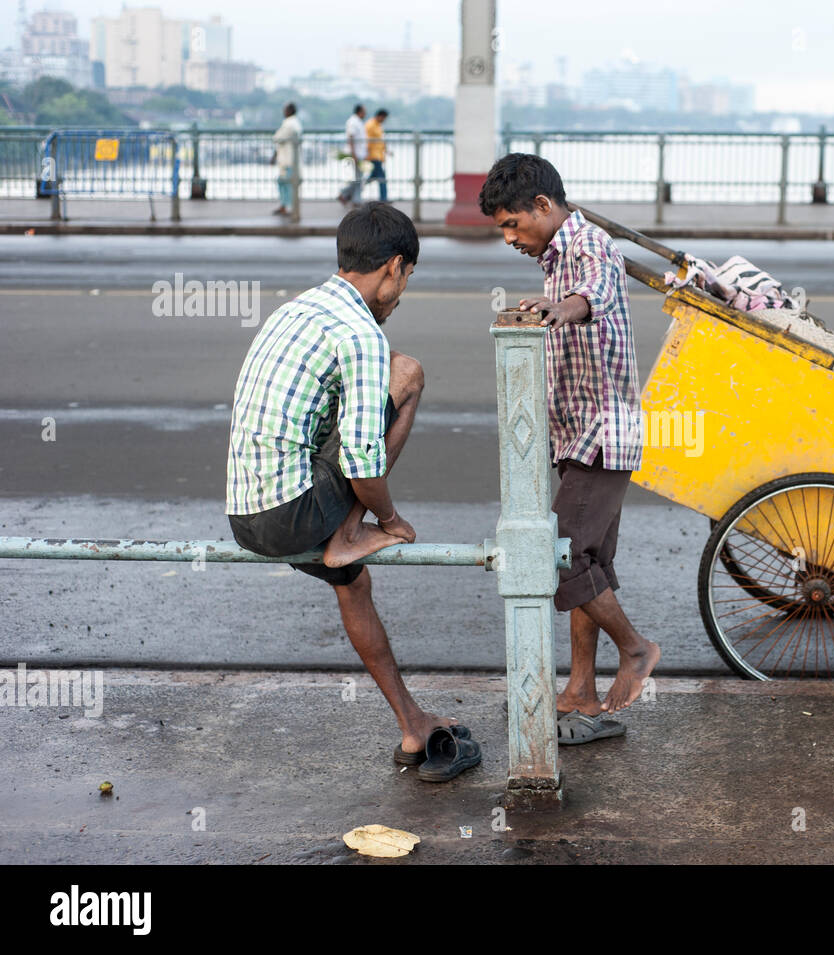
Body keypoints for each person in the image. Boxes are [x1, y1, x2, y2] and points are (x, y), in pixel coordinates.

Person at [225, 202, 479, 782]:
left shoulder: (299, 309)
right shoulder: (359, 332)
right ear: (394, 267)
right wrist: (388, 520)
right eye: (406, 279)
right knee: (408, 371)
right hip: (293, 512)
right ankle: (347, 533)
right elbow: (364, 458)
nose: (401, 294)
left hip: (246, 514)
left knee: (353, 586)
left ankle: (412, 724)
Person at [479, 154, 660, 745]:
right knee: (589, 564)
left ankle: (634, 649)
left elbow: (595, 294)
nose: (509, 238)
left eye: (512, 224)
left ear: (542, 206)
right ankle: (580, 688)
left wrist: (561, 308)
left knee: (560, 557)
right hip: (577, 433)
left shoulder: (591, 247)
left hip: (602, 435)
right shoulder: (556, 254)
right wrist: (547, 302)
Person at [270, 101, 302, 217]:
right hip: (289, 159)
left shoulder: (289, 124)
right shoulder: (295, 123)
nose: (283, 111)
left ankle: (287, 207)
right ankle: (285, 206)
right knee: (285, 182)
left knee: (286, 183)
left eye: (285, 109)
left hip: (288, 160)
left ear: (289, 111)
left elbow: (277, 137)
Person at [337, 104, 366, 208]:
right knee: (357, 178)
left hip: (358, 154)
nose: (365, 114)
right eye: (364, 111)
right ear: (359, 111)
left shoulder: (357, 121)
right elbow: (351, 138)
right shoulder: (353, 122)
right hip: (354, 154)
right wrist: (354, 154)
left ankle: (347, 196)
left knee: (357, 178)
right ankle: (354, 199)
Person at [364, 108, 388, 203]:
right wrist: (366, 154)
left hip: (378, 155)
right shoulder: (370, 125)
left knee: (373, 177)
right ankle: (384, 198)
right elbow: (367, 141)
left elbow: (380, 140)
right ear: (380, 116)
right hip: (373, 156)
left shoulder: (378, 125)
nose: (384, 120)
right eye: (384, 118)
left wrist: (385, 150)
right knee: (381, 177)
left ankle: (349, 192)